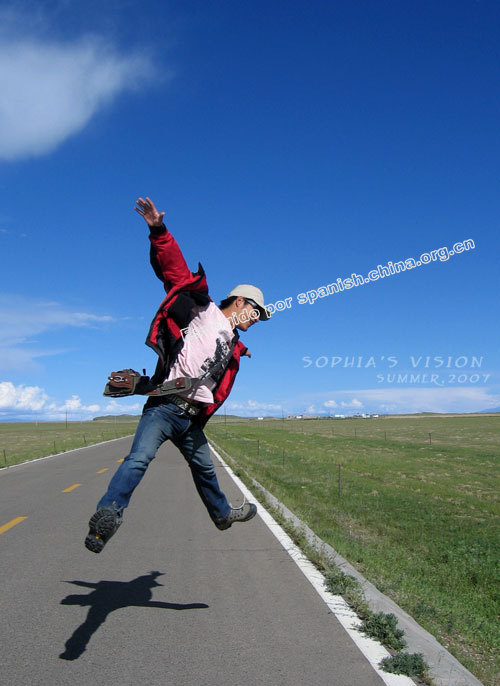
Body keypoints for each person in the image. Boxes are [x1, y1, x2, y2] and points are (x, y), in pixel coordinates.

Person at [85, 197, 270, 553]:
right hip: (164, 406)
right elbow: (174, 270)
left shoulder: (234, 347)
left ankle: (222, 516)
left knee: (206, 470)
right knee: (139, 459)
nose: (257, 320)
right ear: (242, 302)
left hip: (190, 421)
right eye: (257, 312)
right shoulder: (202, 310)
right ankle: (106, 517)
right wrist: (158, 230)